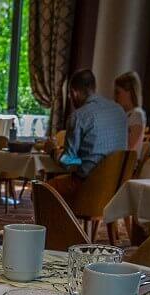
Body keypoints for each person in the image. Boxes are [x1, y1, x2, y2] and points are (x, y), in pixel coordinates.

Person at [45, 69, 127, 205]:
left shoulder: (78, 117)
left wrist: (52, 150)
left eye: (70, 95)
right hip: (115, 189)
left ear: (74, 92)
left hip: (87, 187)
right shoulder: (120, 111)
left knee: (40, 191)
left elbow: (69, 162)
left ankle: (60, 220)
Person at [114, 72, 146, 155]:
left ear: (129, 92)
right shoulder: (124, 114)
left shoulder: (137, 114)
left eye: (118, 92)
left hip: (125, 161)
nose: (115, 97)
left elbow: (129, 147)